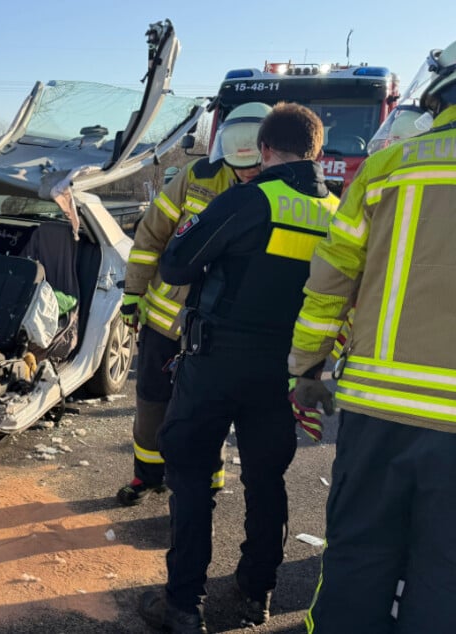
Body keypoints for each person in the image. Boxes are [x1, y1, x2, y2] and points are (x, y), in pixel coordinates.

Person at [137, 102, 339, 634]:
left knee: (190, 476)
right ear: (317, 151)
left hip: (217, 361)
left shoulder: (250, 199)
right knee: (266, 481)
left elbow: (176, 263)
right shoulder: (337, 212)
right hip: (285, 370)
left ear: (265, 149)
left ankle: (183, 604)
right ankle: (256, 594)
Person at [289, 43, 456, 634]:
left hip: (377, 410)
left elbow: (331, 280)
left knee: (358, 555)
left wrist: (306, 368)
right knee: (446, 574)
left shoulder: (388, 168)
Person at [117, 102, 271, 507]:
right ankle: (147, 476)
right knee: (152, 400)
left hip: (221, 328)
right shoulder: (197, 177)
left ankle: (207, 481)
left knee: (208, 408)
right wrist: (133, 294)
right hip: (166, 321)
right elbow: (152, 234)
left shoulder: (277, 192)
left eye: (255, 162)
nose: (247, 171)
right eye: (238, 162)